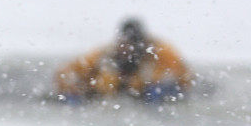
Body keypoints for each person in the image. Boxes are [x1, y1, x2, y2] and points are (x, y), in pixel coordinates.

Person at [55, 18, 193, 103]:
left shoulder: (162, 53)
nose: (128, 49)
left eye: (134, 44)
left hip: (156, 95)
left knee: (155, 92)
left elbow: (182, 75)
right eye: (125, 43)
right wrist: (72, 87)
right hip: (115, 97)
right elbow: (67, 72)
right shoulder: (104, 55)